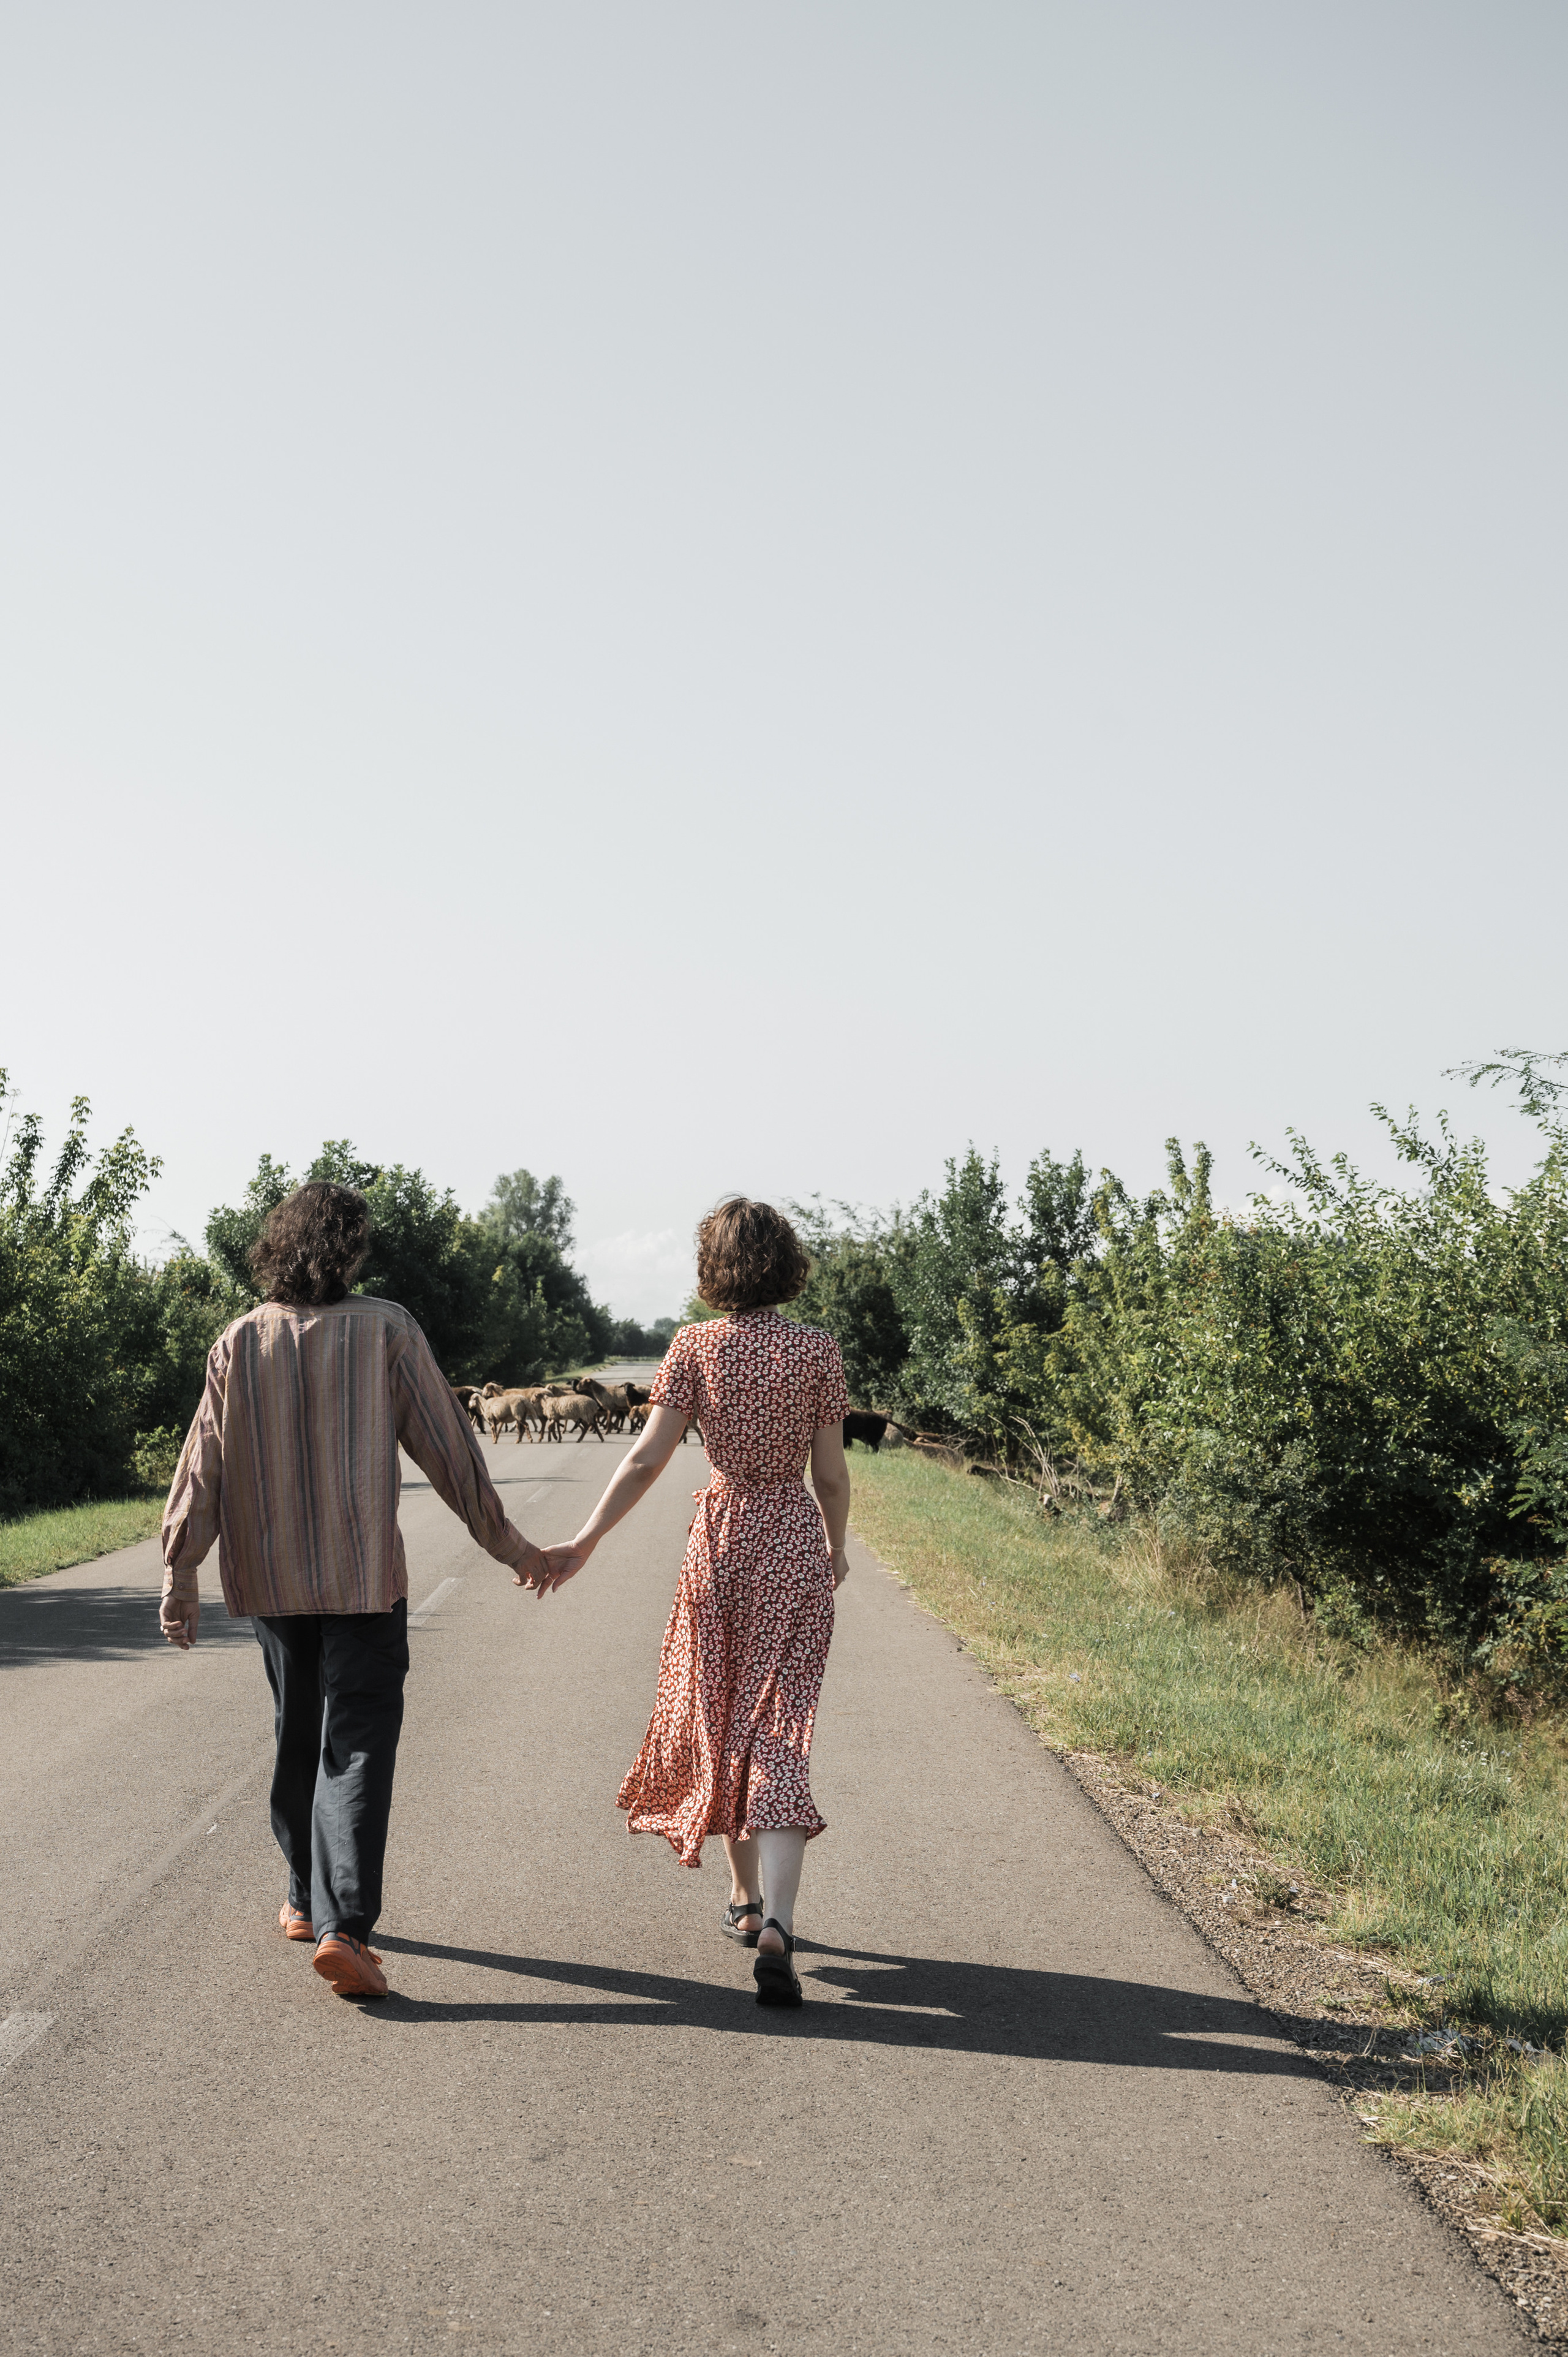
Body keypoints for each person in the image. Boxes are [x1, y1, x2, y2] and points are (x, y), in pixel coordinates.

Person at [158, 1181, 557, 2001]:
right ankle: (346, 1930)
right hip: (364, 1577)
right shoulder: (387, 1329)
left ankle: (306, 1899)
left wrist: (181, 1570)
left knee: (298, 1730)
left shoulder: (239, 1340)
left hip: (271, 1579)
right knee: (359, 1744)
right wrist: (508, 1544)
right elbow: (449, 1449)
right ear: (350, 1250)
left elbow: (204, 1462)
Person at [529, 1197, 851, 2007]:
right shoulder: (818, 1350)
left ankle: (744, 1905)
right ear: (786, 1264)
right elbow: (833, 1474)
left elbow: (644, 1459)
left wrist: (589, 1537)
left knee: (718, 1713)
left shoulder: (695, 1347)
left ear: (714, 1268)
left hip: (719, 1540)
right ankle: (777, 1917)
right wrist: (836, 1546)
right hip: (790, 1539)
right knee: (779, 1725)